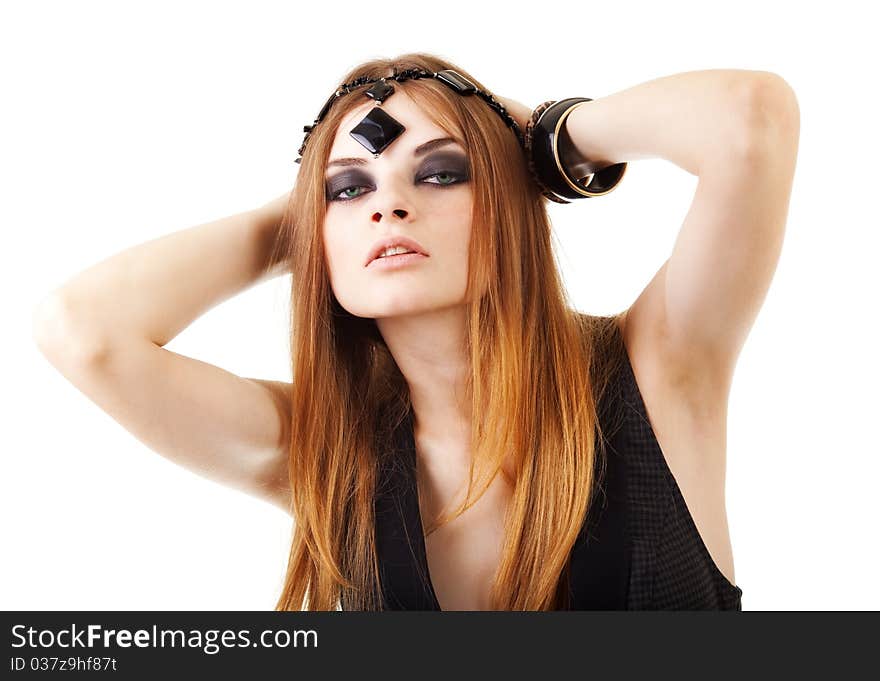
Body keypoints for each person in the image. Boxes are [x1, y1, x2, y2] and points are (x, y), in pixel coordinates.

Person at [32, 52, 799, 611]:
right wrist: (302, 217)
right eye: (351, 187)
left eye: (440, 173)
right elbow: (83, 330)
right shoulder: (322, 450)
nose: (387, 206)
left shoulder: (659, 369)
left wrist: (539, 138)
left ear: (508, 200)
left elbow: (750, 117)